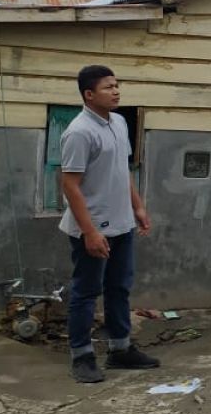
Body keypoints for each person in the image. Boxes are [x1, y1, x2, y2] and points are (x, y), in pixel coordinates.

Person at [60, 65, 160, 383]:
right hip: (92, 227)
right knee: (86, 292)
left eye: (117, 85)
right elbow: (70, 184)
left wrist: (138, 206)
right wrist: (89, 231)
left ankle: (120, 349)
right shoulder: (78, 131)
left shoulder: (118, 121)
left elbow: (122, 169)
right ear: (89, 94)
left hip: (122, 223)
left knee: (119, 288)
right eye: (108, 87)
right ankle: (82, 356)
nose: (116, 91)